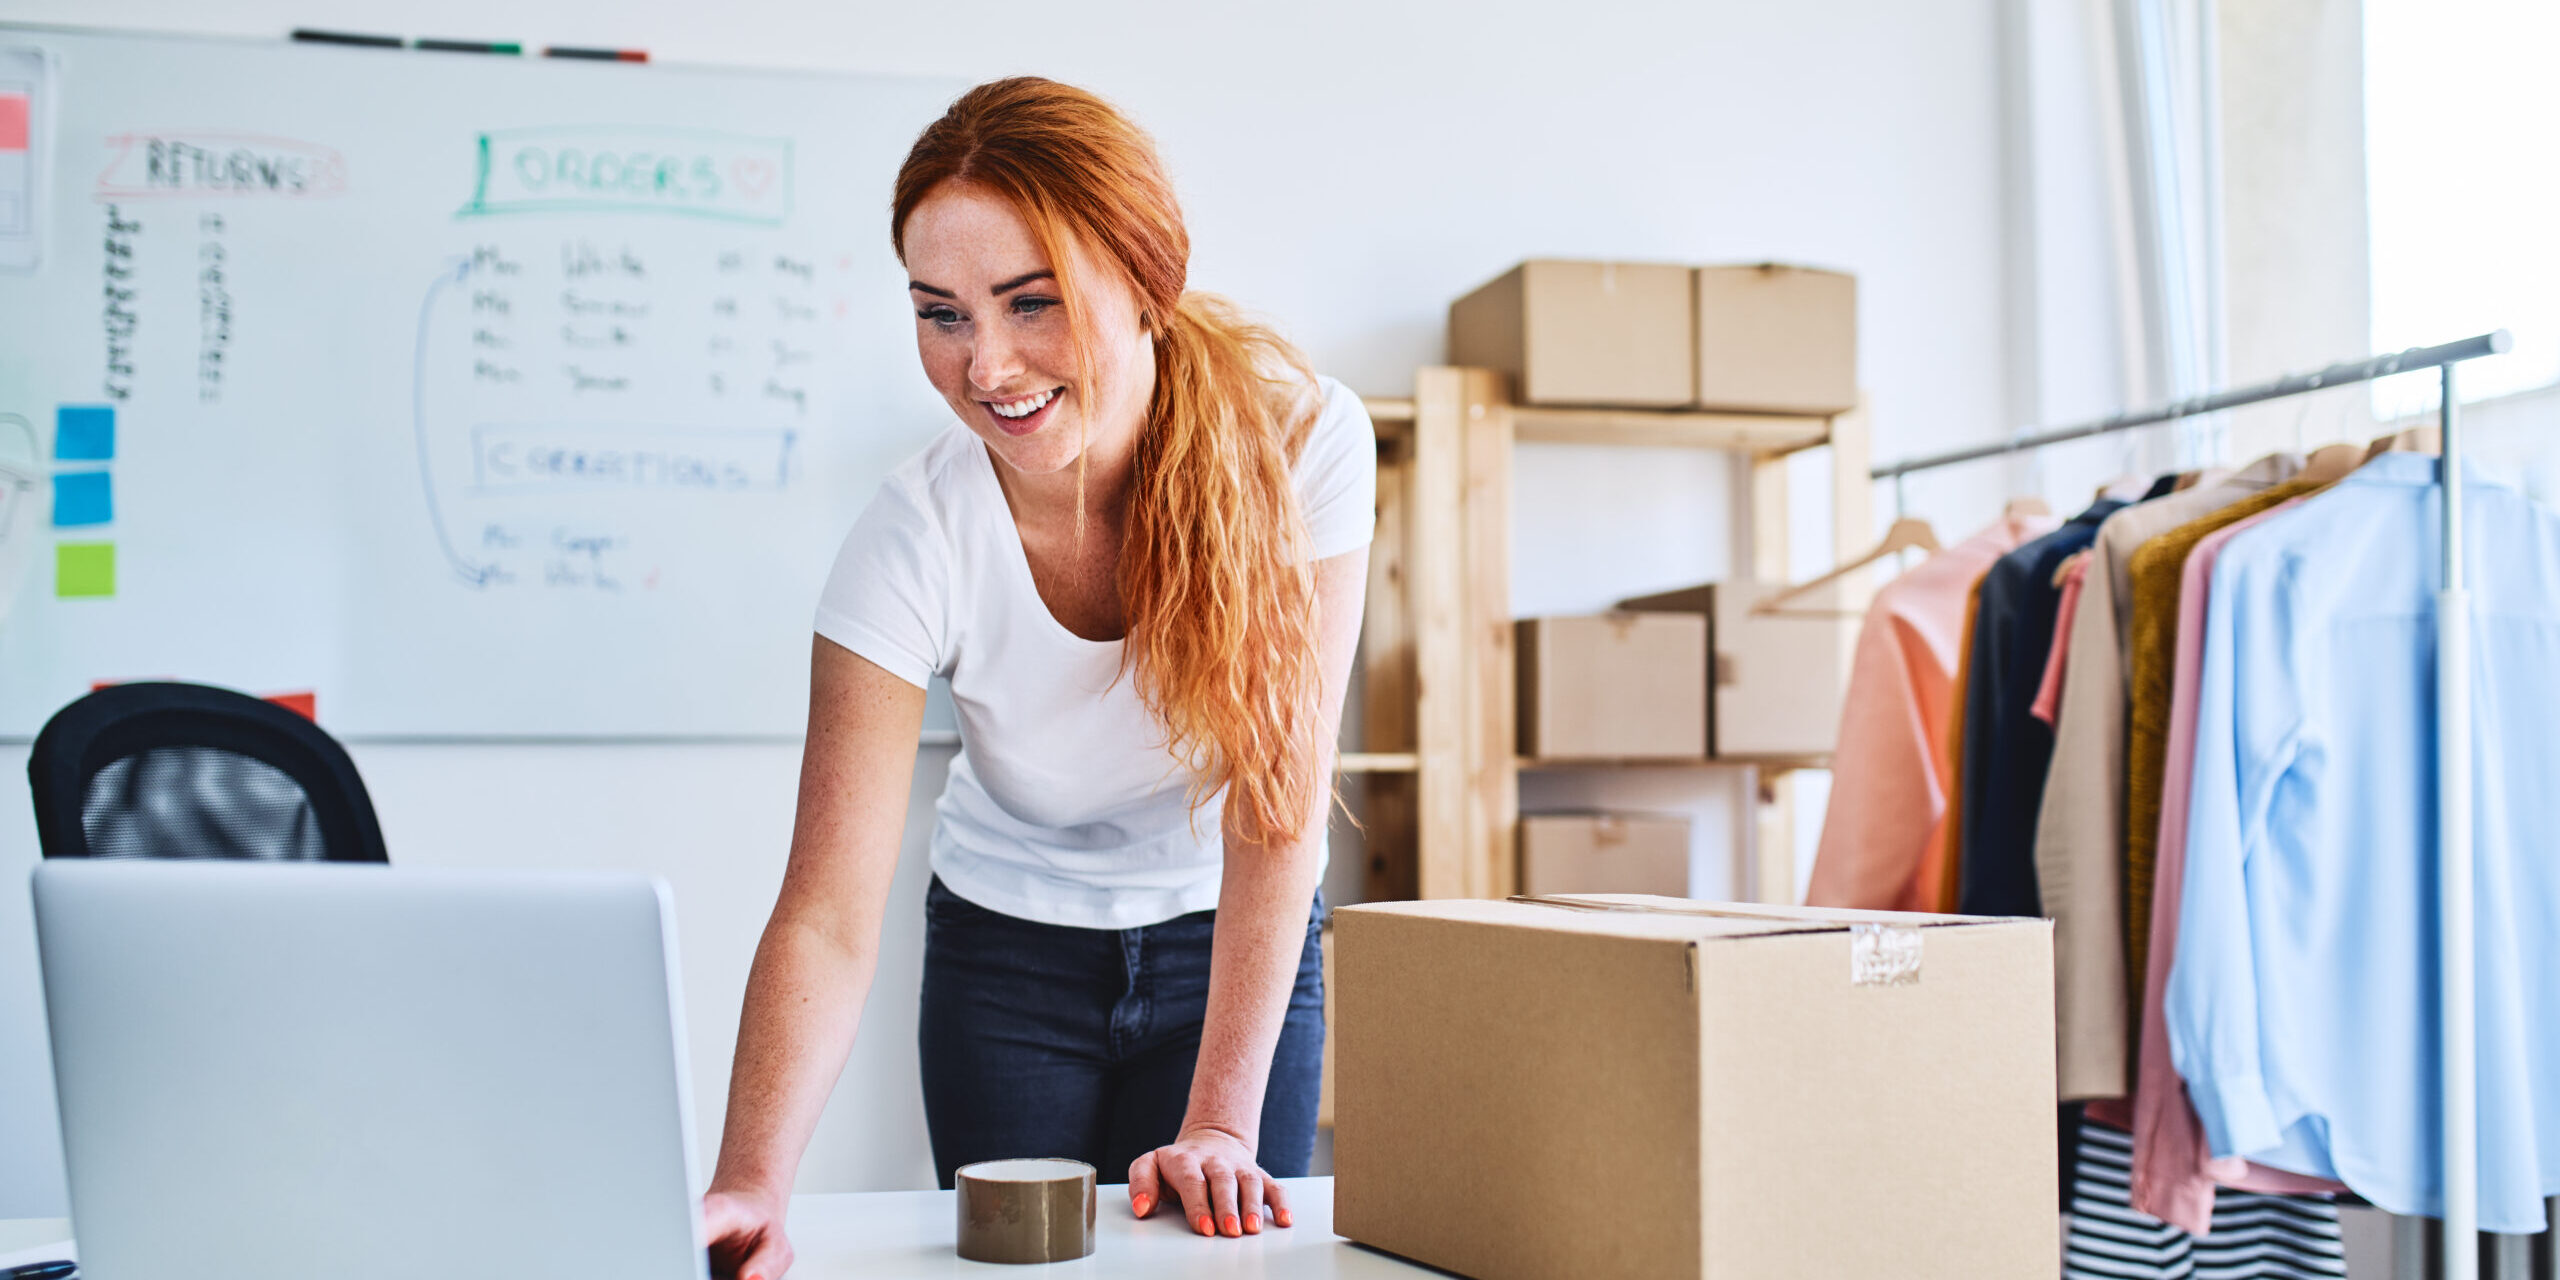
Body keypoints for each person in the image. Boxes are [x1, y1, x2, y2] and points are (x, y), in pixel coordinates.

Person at [700, 77, 1374, 1280]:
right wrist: (751, 1176)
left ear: (1145, 279)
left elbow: (1277, 806)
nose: (987, 365)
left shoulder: (1300, 441)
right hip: (1005, 954)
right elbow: (825, 915)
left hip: (1227, 940)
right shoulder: (915, 532)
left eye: (1031, 302)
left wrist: (1219, 1115)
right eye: (940, 313)